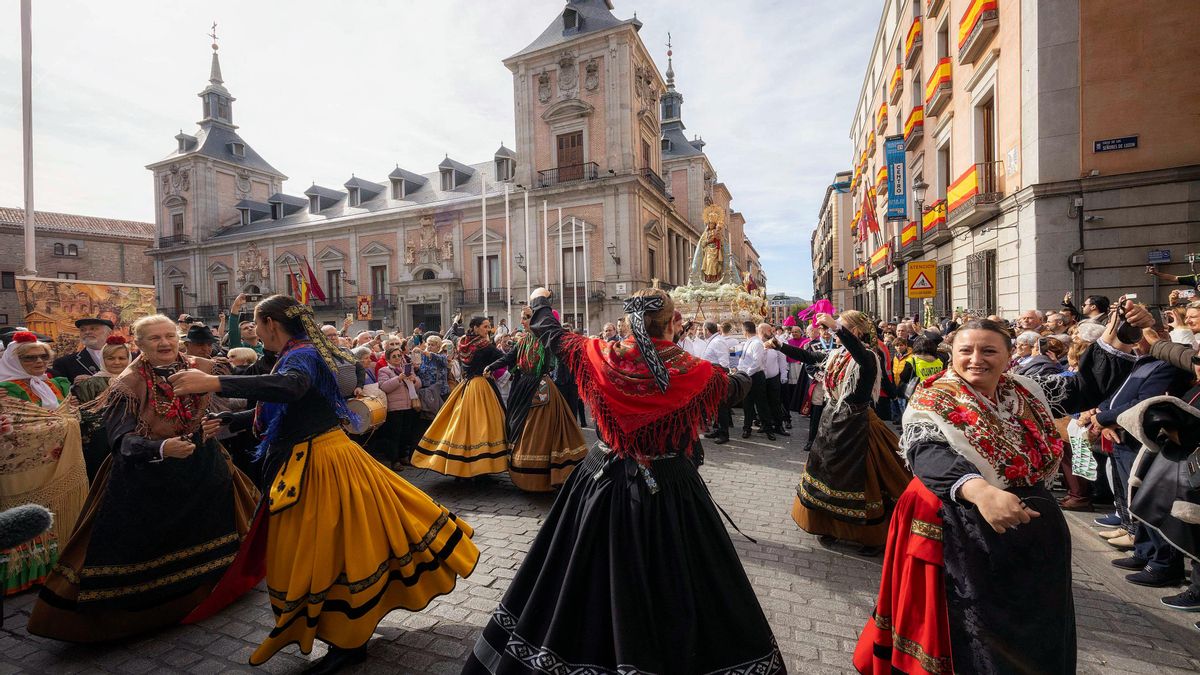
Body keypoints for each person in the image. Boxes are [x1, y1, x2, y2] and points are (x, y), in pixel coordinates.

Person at [463, 287, 783, 674]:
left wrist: (541, 300)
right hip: (670, 484)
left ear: (630, 322)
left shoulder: (600, 355)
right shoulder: (694, 372)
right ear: (674, 323)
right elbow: (732, 390)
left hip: (602, 478)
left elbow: (552, 332)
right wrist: (742, 375)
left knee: (574, 576)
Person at [166, 295, 478, 672]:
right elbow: (299, 403)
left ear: (269, 324)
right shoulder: (301, 351)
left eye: (255, 323)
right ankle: (348, 631)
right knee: (336, 546)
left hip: (319, 464)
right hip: (317, 458)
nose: (257, 331)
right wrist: (237, 419)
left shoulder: (302, 356)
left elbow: (291, 388)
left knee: (323, 551)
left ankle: (348, 637)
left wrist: (214, 380)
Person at [854, 302, 1152, 675]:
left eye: (989, 350)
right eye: (966, 350)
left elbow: (1082, 388)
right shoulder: (933, 397)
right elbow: (927, 451)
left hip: (1033, 532)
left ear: (1010, 356)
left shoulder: (1025, 389)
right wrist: (980, 492)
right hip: (962, 526)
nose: (976, 359)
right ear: (953, 355)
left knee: (1036, 628)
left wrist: (1120, 334)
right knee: (978, 631)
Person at [26, 316, 258, 642]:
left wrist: (213, 424)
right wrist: (162, 446)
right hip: (146, 480)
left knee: (209, 532)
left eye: (168, 336)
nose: (164, 343)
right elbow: (121, 441)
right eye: (154, 339)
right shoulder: (128, 384)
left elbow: (216, 407)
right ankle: (148, 616)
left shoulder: (202, 368)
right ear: (140, 344)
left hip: (204, 470)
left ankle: (209, 592)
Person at [768, 312, 910, 554]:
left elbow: (861, 357)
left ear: (854, 332)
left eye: (838, 329)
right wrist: (779, 346)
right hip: (832, 422)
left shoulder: (867, 357)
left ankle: (871, 536)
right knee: (828, 476)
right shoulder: (837, 354)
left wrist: (837, 328)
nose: (830, 333)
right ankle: (830, 526)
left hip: (858, 427)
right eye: (832, 329)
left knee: (861, 479)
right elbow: (809, 356)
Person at [0, 333, 89, 597]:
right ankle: (24, 572)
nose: (39, 361)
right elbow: (19, 428)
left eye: (43, 356)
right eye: (30, 357)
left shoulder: (55, 384)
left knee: (59, 513)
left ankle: (59, 563)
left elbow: (70, 414)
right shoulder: (4, 391)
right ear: (13, 360)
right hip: (24, 470)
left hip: (63, 461)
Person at [485, 307, 587, 492]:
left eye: (527, 317)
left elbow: (567, 349)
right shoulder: (523, 340)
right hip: (524, 385)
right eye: (522, 318)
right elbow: (510, 357)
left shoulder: (547, 339)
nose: (523, 321)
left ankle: (548, 474)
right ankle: (523, 470)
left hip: (541, 387)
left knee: (540, 430)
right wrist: (492, 366)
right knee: (516, 423)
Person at [412, 317, 508, 477]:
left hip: (466, 385)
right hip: (481, 386)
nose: (488, 329)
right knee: (483, 425)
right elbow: (504, 358)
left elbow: (452, 335)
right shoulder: (485, 346)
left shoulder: (463, 342)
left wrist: (456, 323)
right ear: (475, 328)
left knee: (462, 425)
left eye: (489, 326)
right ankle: (481, 466)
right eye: (485, 326)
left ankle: (461, 464)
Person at [72, 335, 134, 480]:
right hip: (101, 441)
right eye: (111, 358)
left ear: (129, 358)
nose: (117, 362)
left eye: (122, 358)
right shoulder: (91, 383)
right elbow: (83, 412)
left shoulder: (137, 380)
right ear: (102, 360)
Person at [376, 346, 422, 469]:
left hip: (408, 405)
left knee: (406, 434)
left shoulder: (407, 368)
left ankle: (403, 456)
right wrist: (399, 378)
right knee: (395, 435)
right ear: (388, 359)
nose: (397, 358)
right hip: (395, 408)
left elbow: (418, 385)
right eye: (394, 356)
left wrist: (414, 380)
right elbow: (384, 387)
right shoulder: (384, 371)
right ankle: (394, 460)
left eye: (399, 356)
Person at [738, 321, 776, 441]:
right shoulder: (747, 343)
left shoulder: (757, 343)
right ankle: (747, 428)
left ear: (745, 331)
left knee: (761, 404)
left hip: (755, 376)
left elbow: (756, 362)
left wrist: (746, 374)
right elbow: (743, 360)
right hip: (747, 375)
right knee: (747, 403)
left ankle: (768, 429)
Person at [51, 317, 113, 384]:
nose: (87, 332)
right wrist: (77, 387)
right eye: (83, 330)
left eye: (93, 328)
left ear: (109, 333)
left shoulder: (124, 356)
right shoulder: (64, 363)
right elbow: (61, 391)